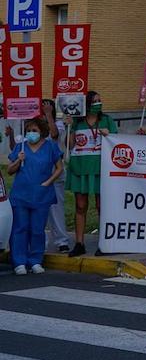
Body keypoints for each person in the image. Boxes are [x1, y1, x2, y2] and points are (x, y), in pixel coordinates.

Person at [6, 117, 64, 275]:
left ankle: (36, 260)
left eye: (34, 131)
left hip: (41, 195)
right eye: (29, 131)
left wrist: (48, 182)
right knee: (20, 228)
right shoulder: (21, 147)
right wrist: (19, 159)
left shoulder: (50, 147)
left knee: (38, 229)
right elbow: (10, 170)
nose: (31, 133)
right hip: (21, 194)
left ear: (42, 132)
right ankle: (19, 262)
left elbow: (59, 167)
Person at [66, 90, 115, 257]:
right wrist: (69, 127)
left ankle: (104, 243)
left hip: (102, 169)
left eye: (100, 100)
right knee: (80, 206)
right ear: (86, 104)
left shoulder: (107, 120)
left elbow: (119, 141)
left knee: (102, 206)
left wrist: (109, 135)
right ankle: (79, 243)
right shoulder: (77, 122)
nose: (98, 104)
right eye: (95, 101)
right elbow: (70, 145)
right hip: (80, 167)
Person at [39, 98, 71, 253]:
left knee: (56, 209)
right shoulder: (34, 127)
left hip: (55, 174)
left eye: (48, 107)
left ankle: (61, 241)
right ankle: (40, 242)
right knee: (39, 211)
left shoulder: (58, 124)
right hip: (38, 176)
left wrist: (48, 115)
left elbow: (54, 135)